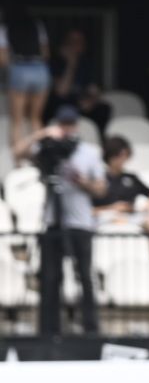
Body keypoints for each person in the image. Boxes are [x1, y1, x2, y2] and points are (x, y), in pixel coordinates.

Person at [17, 108, 105, 334]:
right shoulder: (47, 148)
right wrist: (41, 134)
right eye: (62, 124)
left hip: (80, 223)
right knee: (50, 277)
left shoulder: (88, 152)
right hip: (52, 221)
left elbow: (101, 189)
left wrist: (83, 182)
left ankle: (90, 329)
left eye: (70, 124)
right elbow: (18, 152)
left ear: (76, 125)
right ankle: (49, 330)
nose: (66, 129)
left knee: (84, 276)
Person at [91, 136, 149, 244]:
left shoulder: (131, 178)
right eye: (119, 156)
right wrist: (112, 208)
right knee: (118, 223)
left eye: (126, 155)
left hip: (131, 216)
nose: (123, 160)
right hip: (105, 216)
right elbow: (89, 210)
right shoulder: (98, 180)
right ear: (110, 156)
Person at [2, 5, 52, 150]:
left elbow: (3, 59)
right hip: (40, 69)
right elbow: (46, 53)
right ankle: (40, 159)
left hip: (20, 67)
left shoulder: (5, 28)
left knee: (17, 120)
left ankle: (18, 161)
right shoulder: (37, 26)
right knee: (36, 118)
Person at [47, 27, 110, 132]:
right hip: (59, 104)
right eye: (71, 41)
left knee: (104, 108)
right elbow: (62, 91)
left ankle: (98, 141)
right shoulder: (55, 63)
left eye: (78, 41)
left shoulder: (87, 64)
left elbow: (94, 90)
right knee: (61, 105)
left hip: (80, 103)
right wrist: (71, 64)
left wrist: (92, 101)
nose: (74, 45)